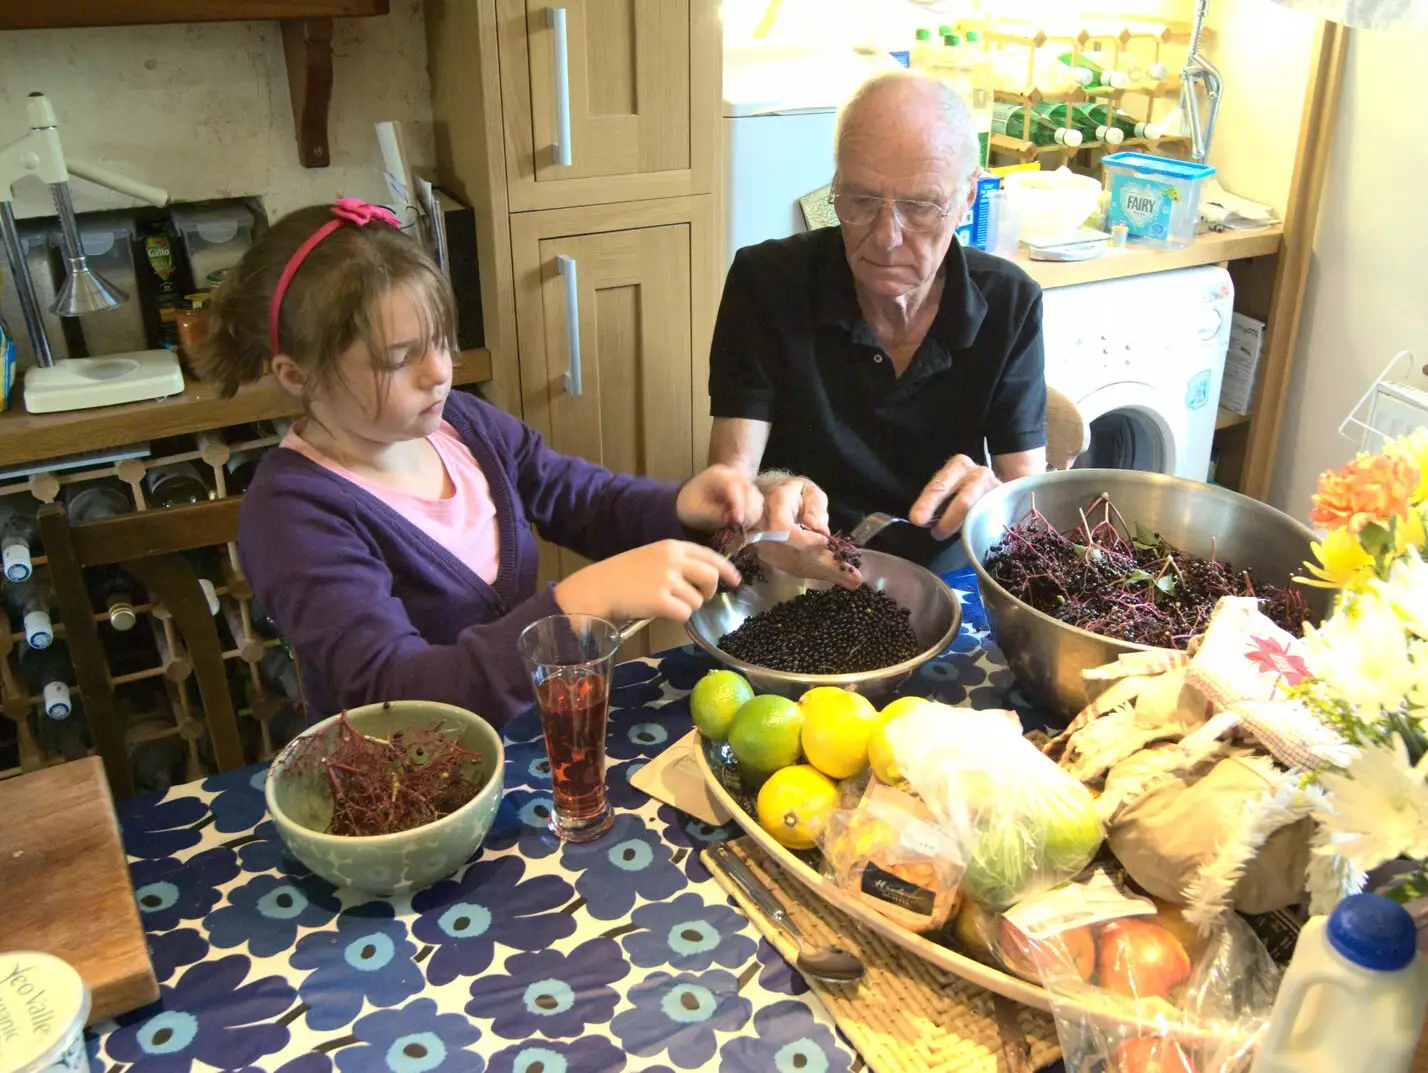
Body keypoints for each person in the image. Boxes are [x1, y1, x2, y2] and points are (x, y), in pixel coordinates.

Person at [198, 199, 761, 728]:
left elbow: (582, 498)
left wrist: (682, 506)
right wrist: (578, 605)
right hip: (405, 787)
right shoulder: (292, 516)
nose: (438, 372)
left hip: (524, 744)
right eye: (399, 360)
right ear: (298, 375)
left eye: (441, 341)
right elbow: (393, 695)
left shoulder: (462, 424)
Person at [708, 72, 1048, 572]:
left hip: (947, 578)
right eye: (862, 201)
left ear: (968, 198)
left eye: (920, 207)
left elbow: (1028, 512)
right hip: (796, 567)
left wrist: (996, 500)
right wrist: (764, 491)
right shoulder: (765, 282)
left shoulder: (1010, 302)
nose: (886, 238)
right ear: (836, 187)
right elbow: (727, 491)